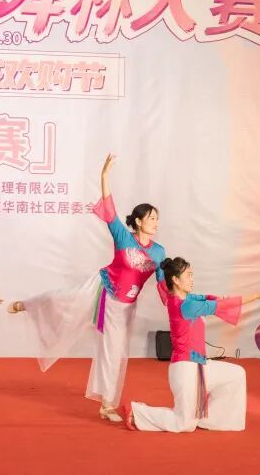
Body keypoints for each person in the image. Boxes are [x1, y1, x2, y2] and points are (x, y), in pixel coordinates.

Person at [9, 154, 164, 422]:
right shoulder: (123, 236)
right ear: (139, 222)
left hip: (125, 306)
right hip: (103, 289)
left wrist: (177, 302)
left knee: (114, 352)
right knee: (62, 299)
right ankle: (28, 304)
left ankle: (107, 404)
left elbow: (163, 285)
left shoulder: (159, 252)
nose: (155, 222)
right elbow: (109, 208)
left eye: (157, 219)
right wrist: (104, 175)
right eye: (151, 218)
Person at [126, 257, 260, 432]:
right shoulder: (187, 306)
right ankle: (138, 413)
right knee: (183, 424)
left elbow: (196, 294)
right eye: (188, 275)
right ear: (176, 280)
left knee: (236, 375)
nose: (192, 279)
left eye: (192, 275)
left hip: (198, 366)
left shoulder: (181, 298)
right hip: (185, 370)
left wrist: (162, 267)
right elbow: (223, 304)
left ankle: (210, 418)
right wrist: (258, 295)